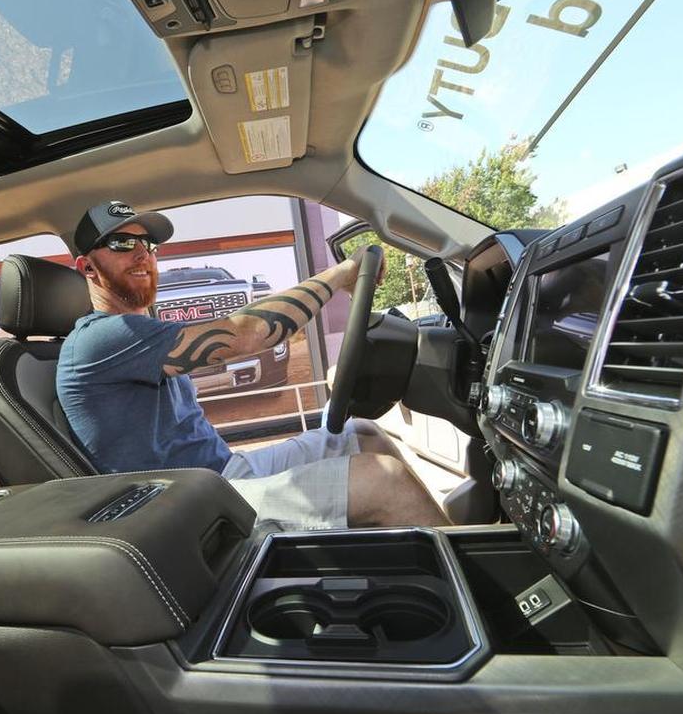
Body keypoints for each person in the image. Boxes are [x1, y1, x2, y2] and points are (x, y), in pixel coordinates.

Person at [56, 200, 447, 530]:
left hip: (221, 472)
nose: (143, 254)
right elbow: (247, 334)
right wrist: (340, 275)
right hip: (186, 506)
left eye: (148, 243)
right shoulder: (99, 338)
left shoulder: (141, 331)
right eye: (122, 243)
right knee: (384, 480)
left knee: (363, 433)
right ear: (87, 267)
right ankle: (478, 588)